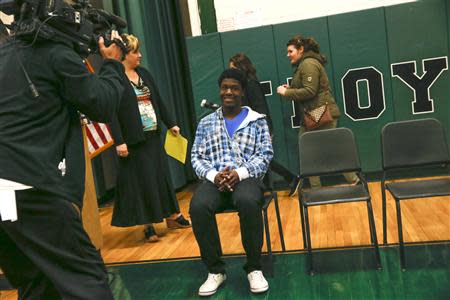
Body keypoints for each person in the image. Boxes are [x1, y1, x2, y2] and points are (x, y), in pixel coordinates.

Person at [0, 24, 125, 300]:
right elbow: (102, 104)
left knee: (36, 282)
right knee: (88, 281)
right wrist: (112, 64)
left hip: (7, 196)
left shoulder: (8, 57)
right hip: (28, 187)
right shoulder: (53, 54)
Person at [190, 68, 273, 296]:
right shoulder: (206, 123)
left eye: (234, 88)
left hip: (246, 179)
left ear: (242, 92)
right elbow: (196, 156)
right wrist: (214, 176)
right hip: (214, 180)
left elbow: (265, 154)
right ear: (220, 91)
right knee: (197, 206)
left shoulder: (257, 121)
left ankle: (254, 268)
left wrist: (240, 173)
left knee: (247, 200)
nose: (229, 92)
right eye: (225, 87)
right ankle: (215, 270)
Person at [110, 34, 190, 242]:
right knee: (143, 182)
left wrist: (170, 123)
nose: (140, 55)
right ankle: (148, 225)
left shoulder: (143, 73)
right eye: (135, 52)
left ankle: (173, 216)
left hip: (153, 136)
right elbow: (112, 113)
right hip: (134, 140)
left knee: (161, 177)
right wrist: (119, 141)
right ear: (124, 54)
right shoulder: (116, 78)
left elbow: (158, 100)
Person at [276, 35, 358, 188]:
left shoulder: (308, 64)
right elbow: (308, 89)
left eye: (290, 51)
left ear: (301, 49)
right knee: (309, 152)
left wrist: (286, 93)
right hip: (313, 115)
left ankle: (353, 181)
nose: (288, 55)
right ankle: (318, 187)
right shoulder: (305, 64)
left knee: (322, 151)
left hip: (321, 114)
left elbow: (310, 91)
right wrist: (292, 89)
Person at [229, 53, 300, 196]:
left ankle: (291, 178)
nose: (231, 72)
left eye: (233, 69)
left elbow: (260, 107)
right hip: (251, 128)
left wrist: (265, 129)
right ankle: (267, 187)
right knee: (258, 158)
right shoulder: (244, 85)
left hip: (258, 127)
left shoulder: (250, 83)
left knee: (261, 158)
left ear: (242, 68)